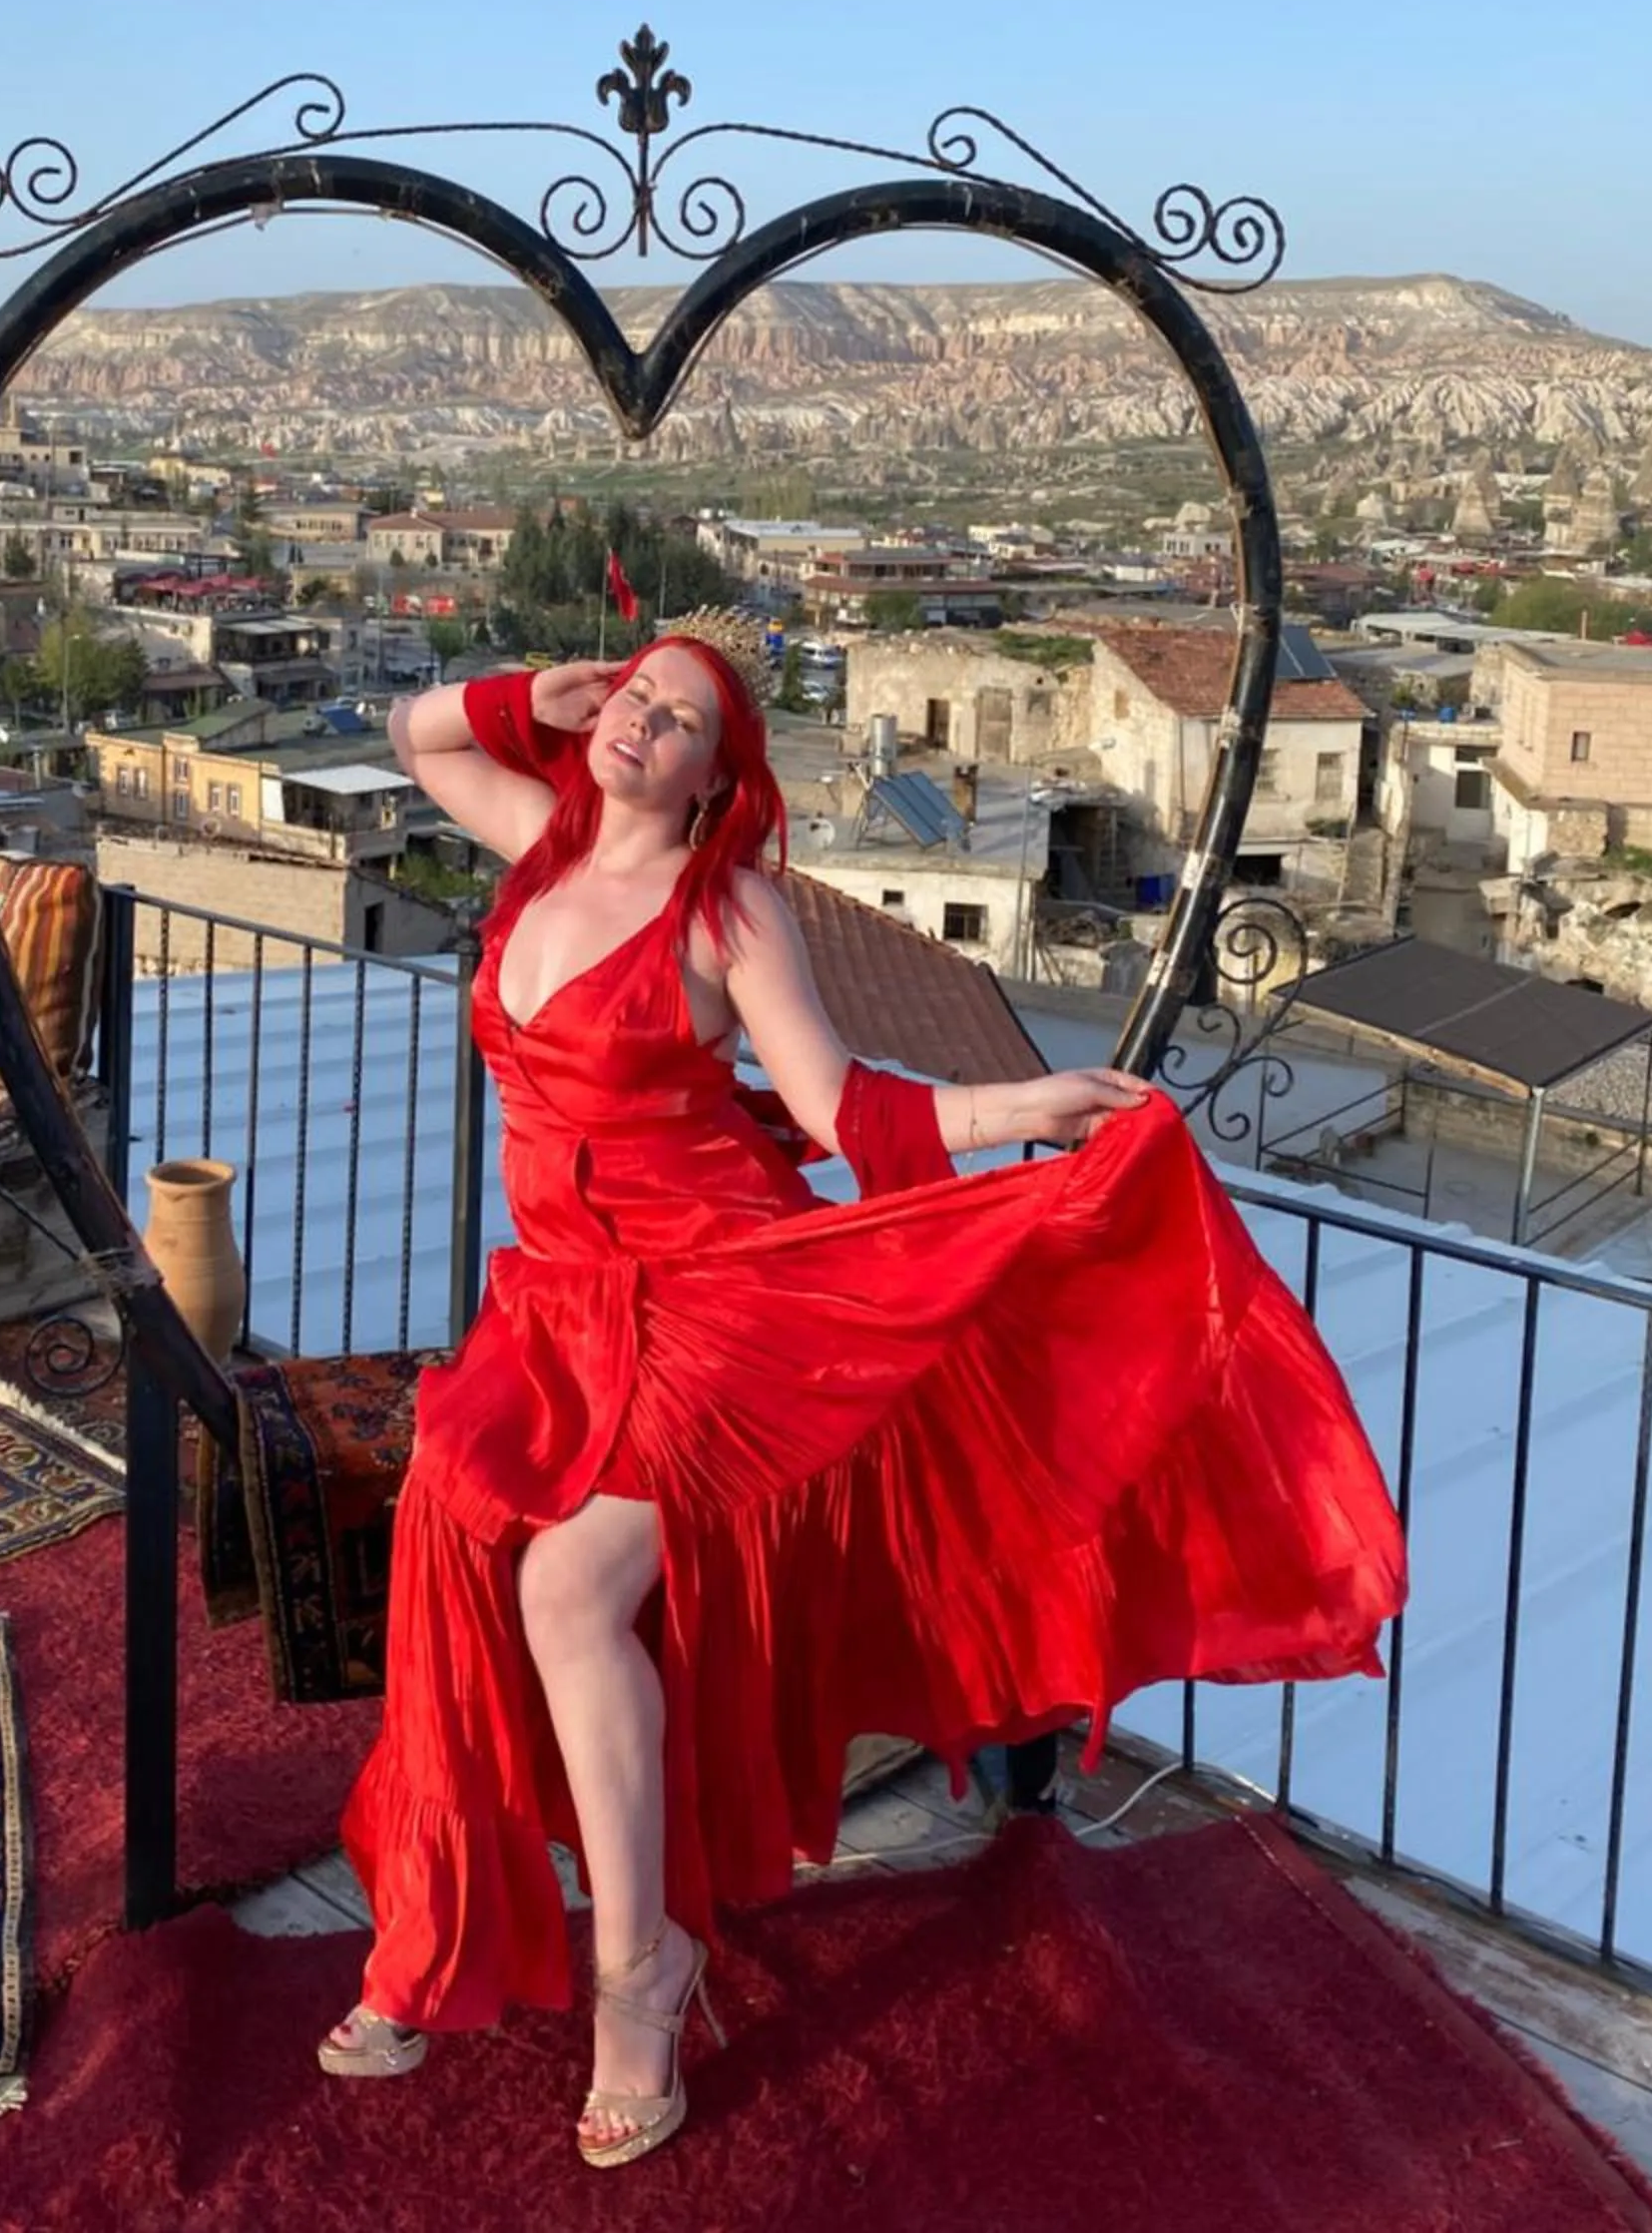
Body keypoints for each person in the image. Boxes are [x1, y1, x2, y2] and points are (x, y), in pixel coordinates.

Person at [318, 620, 1406, 2170]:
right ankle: (431, 1919)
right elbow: (420, 738)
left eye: (681, 720)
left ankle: (643, 1974)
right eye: (634, 697)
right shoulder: (538, 836)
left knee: (569, 1589)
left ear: (716, 776)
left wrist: (1026, 1104)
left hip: (712, 1295)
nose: (642, 725)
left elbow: (838, 1108)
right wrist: (515, 701)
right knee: (448, 1513)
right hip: (555, 1304)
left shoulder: (727, 909)